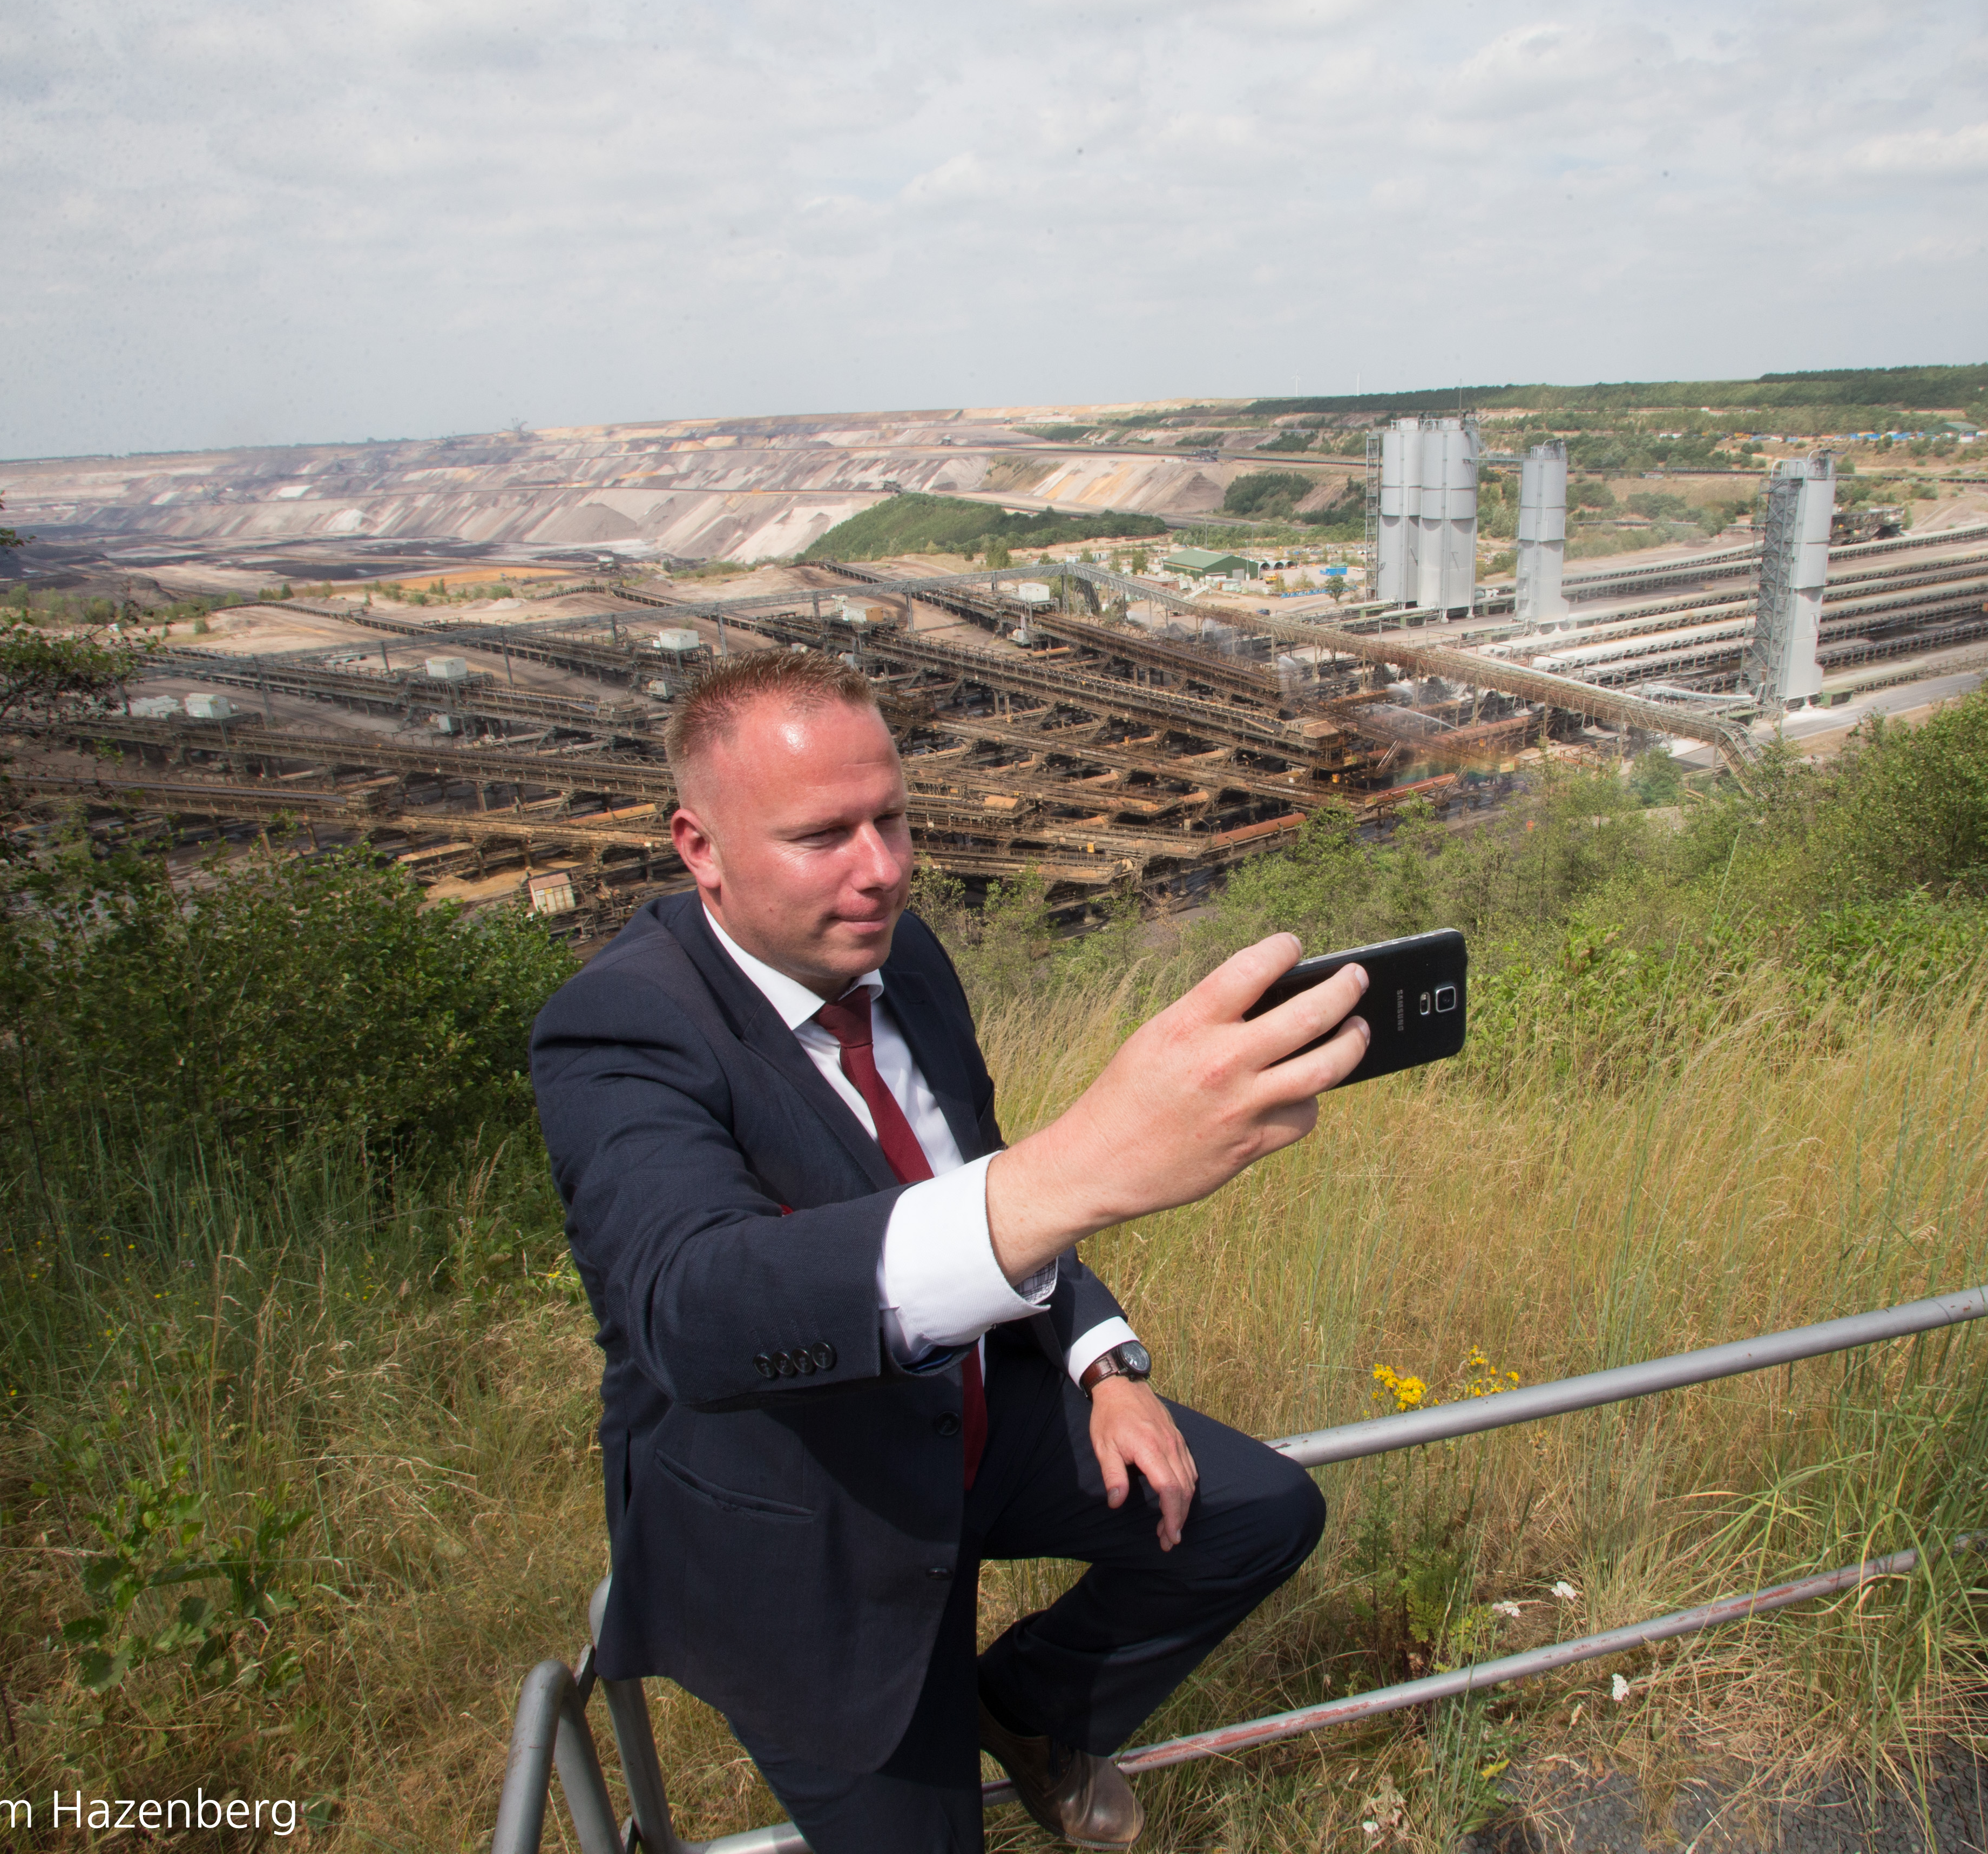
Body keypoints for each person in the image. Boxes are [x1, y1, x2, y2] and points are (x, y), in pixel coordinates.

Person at [529, 649, 1370, 1853]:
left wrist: (1102, 1367)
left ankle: (1025, 1708)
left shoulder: (900, 957)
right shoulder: (621, 1024)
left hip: (975, 1420)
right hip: (812, 1520)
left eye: (894, 821)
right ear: (699, 848)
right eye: (824, 835)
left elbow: (971, 1173)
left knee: (1255, 1515)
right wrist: (1082, 1170)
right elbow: (695, 1307)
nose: (881, 872)